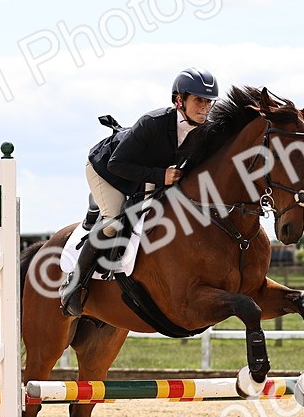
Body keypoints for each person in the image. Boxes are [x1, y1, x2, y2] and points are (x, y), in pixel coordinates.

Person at [60, 67, 219, 316]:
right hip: (108, 170)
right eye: (198, 100)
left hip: (146, 173)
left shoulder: (204, 131)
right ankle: (74, 285)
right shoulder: (153, 123)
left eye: (209, 102)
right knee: (114, 221)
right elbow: (116, 164)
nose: (205, 108)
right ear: (179, 100)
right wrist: (160, 176)